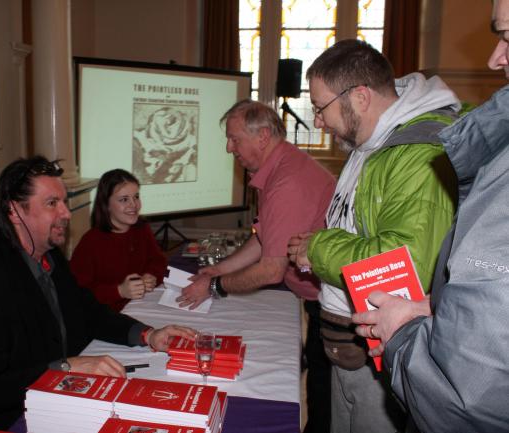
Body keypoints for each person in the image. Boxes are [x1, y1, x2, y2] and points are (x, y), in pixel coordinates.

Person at [0, 156, 195, 433]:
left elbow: (88, 311)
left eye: (64, 202)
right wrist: (64, 368)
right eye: (52, 203)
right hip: (14, 420)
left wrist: (148, 335)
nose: (66, 213)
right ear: (14, 211)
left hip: (62, 400)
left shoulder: (51, 259)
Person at [286, 39, 460, 433]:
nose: (317, 120)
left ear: (360, 96)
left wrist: (318, 246)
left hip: (380, 349)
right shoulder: (371, 142)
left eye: (320, 107)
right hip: (351, 342)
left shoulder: (417, 151)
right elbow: (358, 226)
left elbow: (401, 263)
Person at [351, 1, 509, 432]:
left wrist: (402, 330)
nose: (495, 57)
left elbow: (467, 392)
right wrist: (439, 308)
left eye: (507, 36)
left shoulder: (411, 150)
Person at [177, 100, 337, 433]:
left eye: (234, 138)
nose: (228, 147)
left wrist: (216, 287)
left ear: (263, 136)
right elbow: (265, 238)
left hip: (332, 302)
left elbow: (271, 270)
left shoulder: (286, 181)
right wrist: (217, 270)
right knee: (319, 385)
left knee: (324, 397)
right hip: (319, 297)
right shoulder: (280, 166)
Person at [69, 169, 167, 312]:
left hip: (139, 305)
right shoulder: (91, 242)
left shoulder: (141, 228)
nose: (133, 205)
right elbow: (77, 292)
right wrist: (119, 291)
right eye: (124, 199)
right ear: (106, 204)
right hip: (107, 314)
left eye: (136, 197)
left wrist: (151, 275)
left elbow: (158, 260)